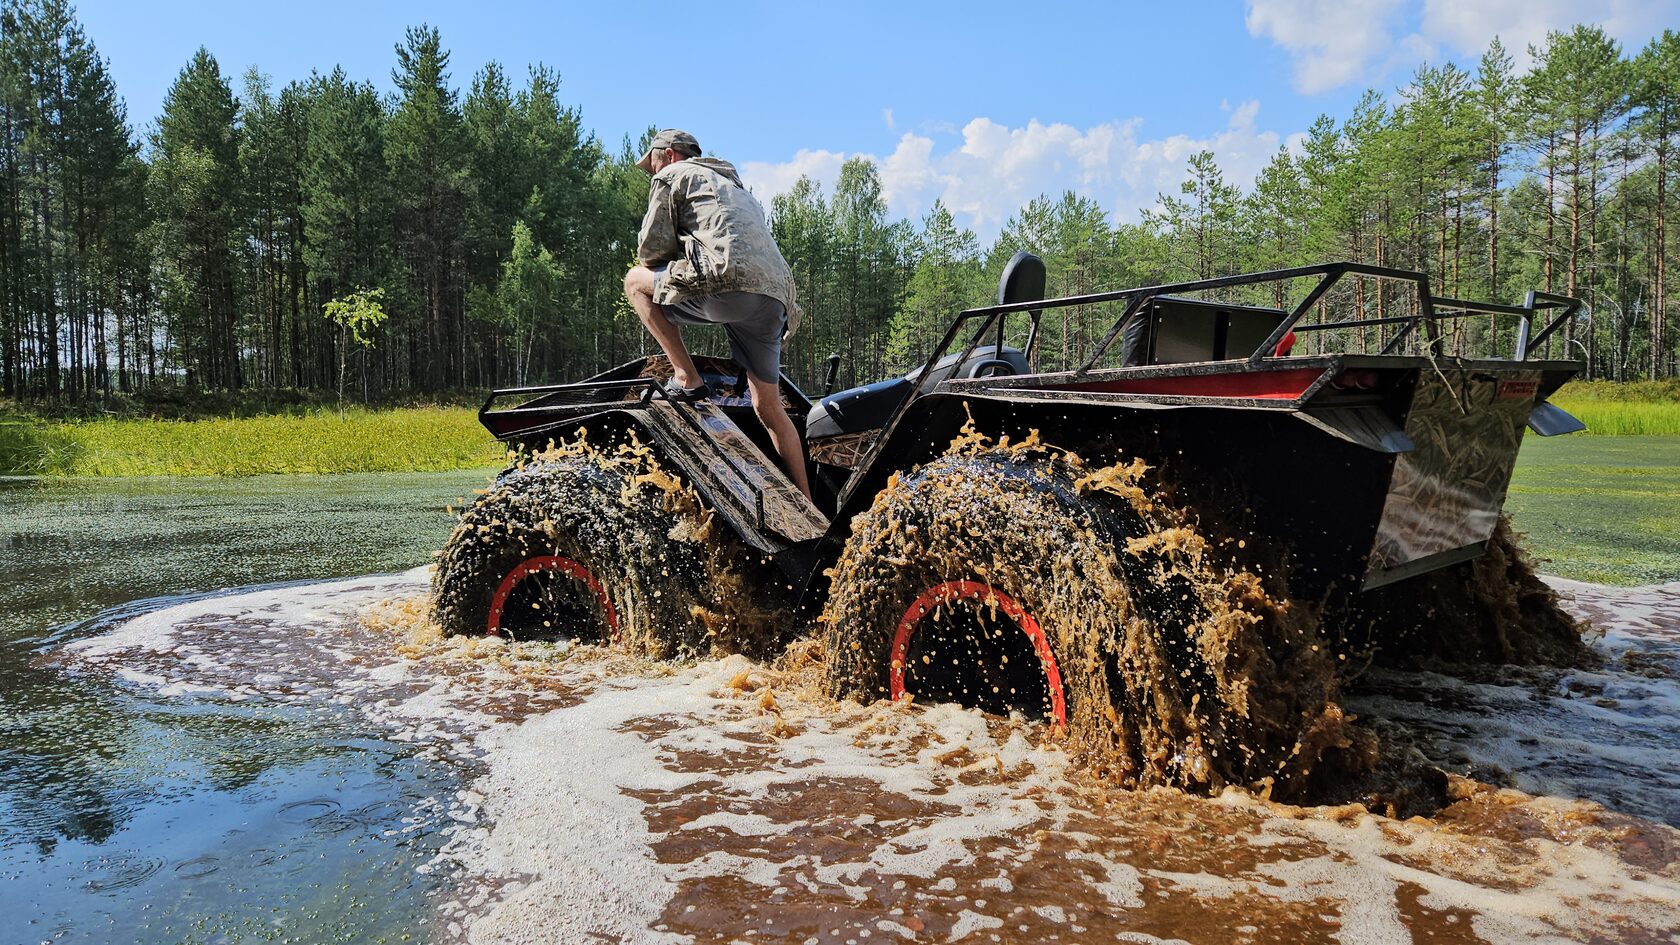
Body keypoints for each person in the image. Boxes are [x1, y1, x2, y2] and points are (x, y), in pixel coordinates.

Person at [623, 129, 812, 500]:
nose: (652, 170)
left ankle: (686, 377)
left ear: (670, 154)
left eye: (653, 161)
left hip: (730, 284)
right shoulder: (736, 187)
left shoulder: (672, 175)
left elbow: (650, 252)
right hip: (777, 296)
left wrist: (670, 262)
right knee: (768, 407)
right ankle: (809, 504)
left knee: (634, 281)